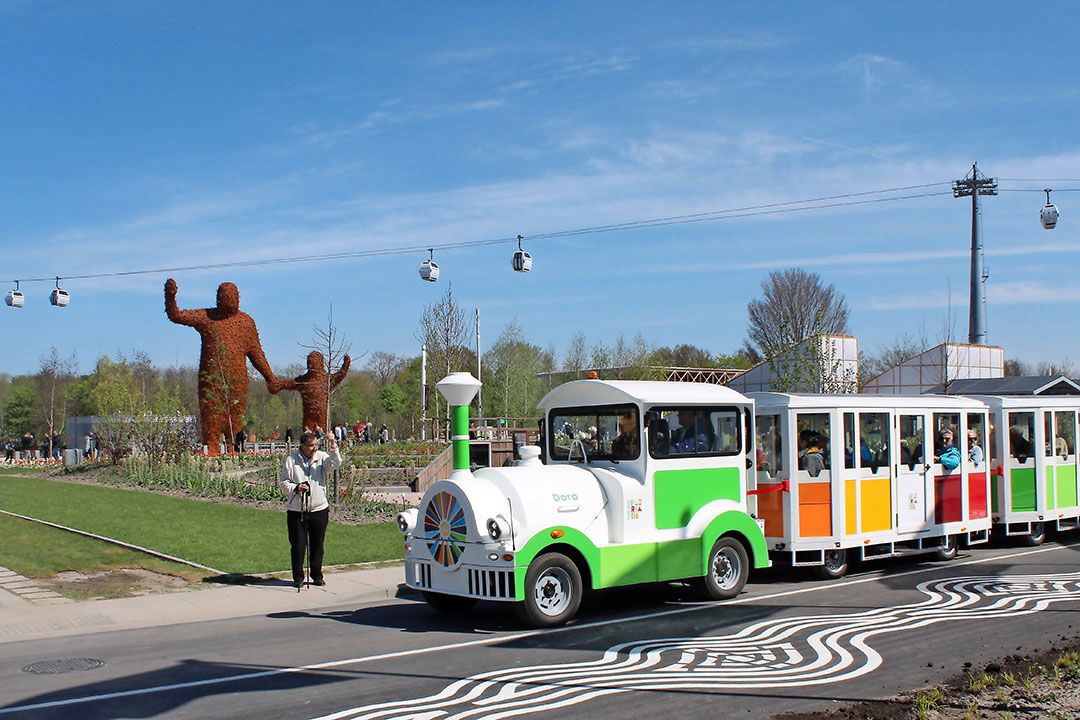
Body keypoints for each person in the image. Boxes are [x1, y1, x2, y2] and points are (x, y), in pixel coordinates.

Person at [278, 431, 341, 589]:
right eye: (311, 446)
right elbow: (283, 483)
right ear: (302, 446)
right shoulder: (291, 460)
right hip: (297, 510)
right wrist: (296, 487)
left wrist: (333, 444)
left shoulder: (321, 457)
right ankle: (298, 576)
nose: (314, 448)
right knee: (298, 545)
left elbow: (336, 462)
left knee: (317, 544)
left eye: (316, 445)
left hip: (319, 508)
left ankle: (316, 574)